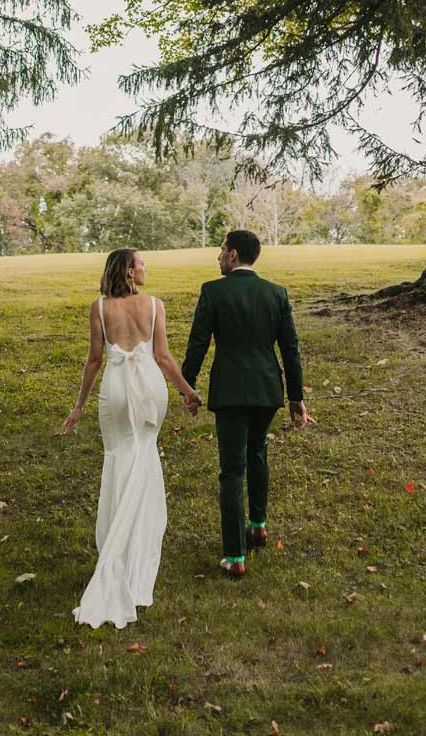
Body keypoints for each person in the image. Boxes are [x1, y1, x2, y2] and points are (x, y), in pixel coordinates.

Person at [60, 248, 201, 629]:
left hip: (116, 390)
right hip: (152, 389)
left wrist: (79, 406)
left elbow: (93, 360)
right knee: (145, 457)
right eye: (141, 263)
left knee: (120, 459)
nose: (145, 268)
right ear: (128, 270)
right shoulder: (155, 305)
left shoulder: (99, 308)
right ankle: (136, 556)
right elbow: (164, 358)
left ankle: (115, 551)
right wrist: (187, 392)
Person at [180, 229, 314, 579]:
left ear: (235, 255)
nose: (219, 256)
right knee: (257, 455)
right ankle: (257, 525)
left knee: (232, 468)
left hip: (229, 391)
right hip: (267, 389)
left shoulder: (213, 291)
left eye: (222, 250)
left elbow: (198, 343)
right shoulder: (276, 293)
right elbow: (290, 349)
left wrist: (187, 386)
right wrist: (296, 397)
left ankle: (235, 555)